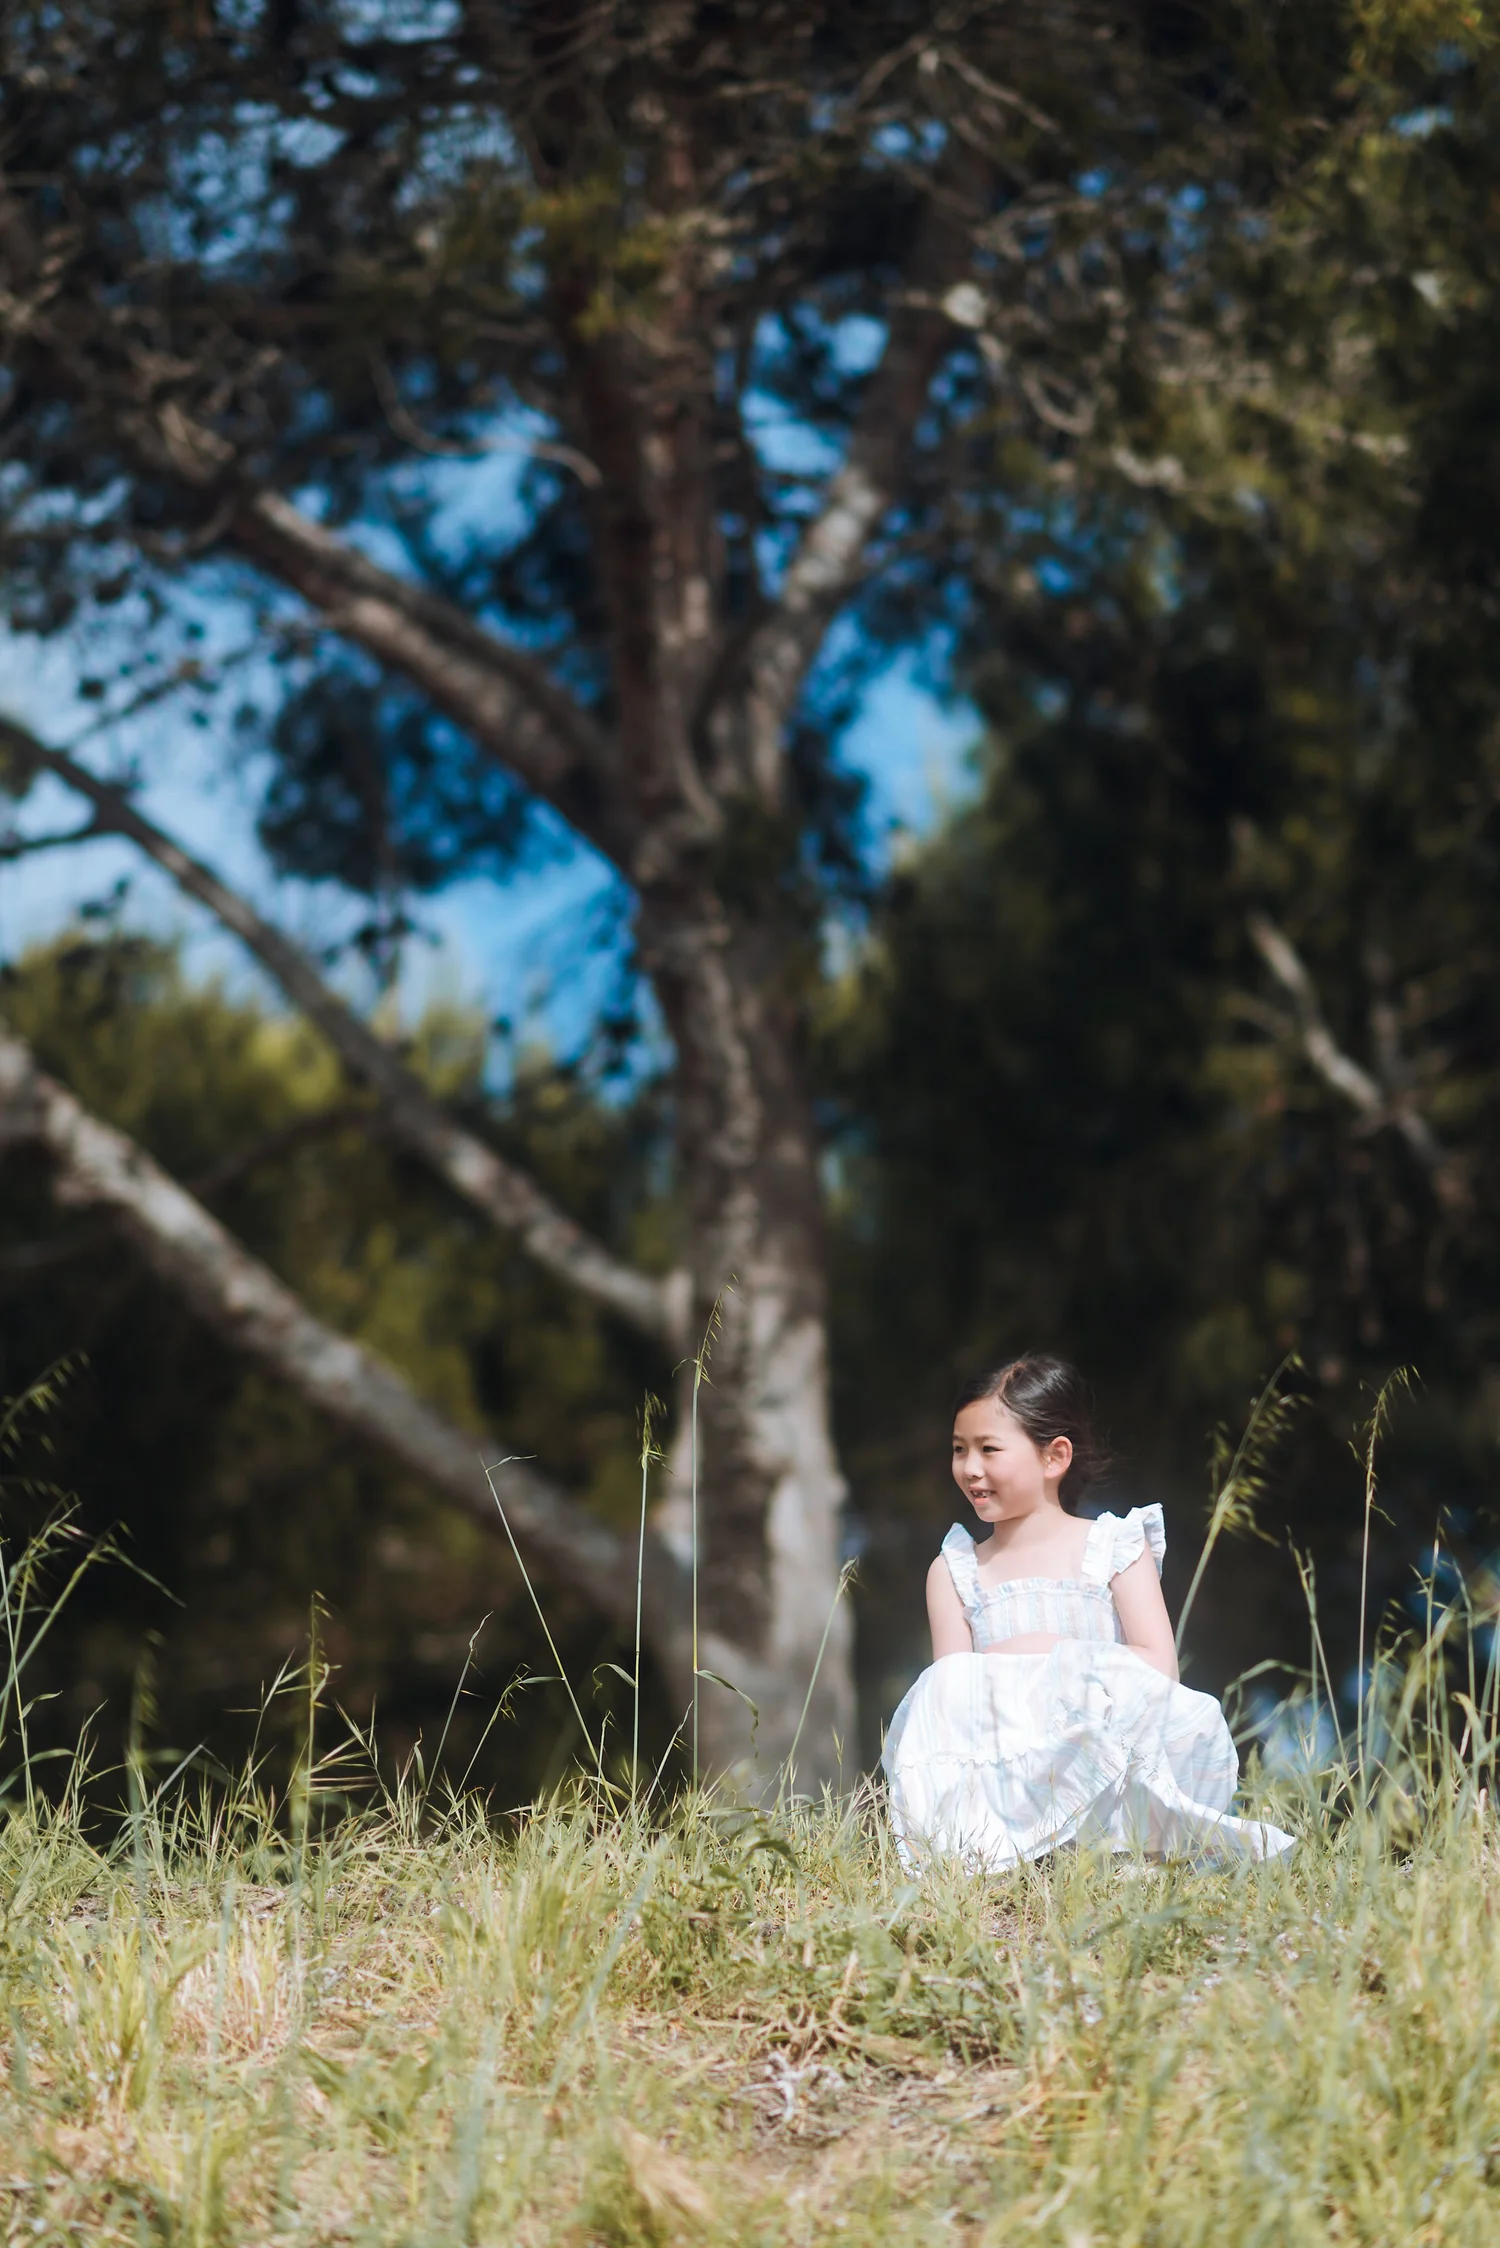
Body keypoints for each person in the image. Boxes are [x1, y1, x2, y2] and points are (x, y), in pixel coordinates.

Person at [882, 1354, 1294, 1869]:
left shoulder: (1115, 1546)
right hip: (1005, 1800)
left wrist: (1052, 1652)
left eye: (989, 1449)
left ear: (1055, 1457)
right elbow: (950, 1705)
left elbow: (1159, 1667)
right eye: (959, 1449)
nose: (970, 1468)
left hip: (1108, 1784)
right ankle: (1002, 1859)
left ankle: (1120, 1855)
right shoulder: (955, 1571)